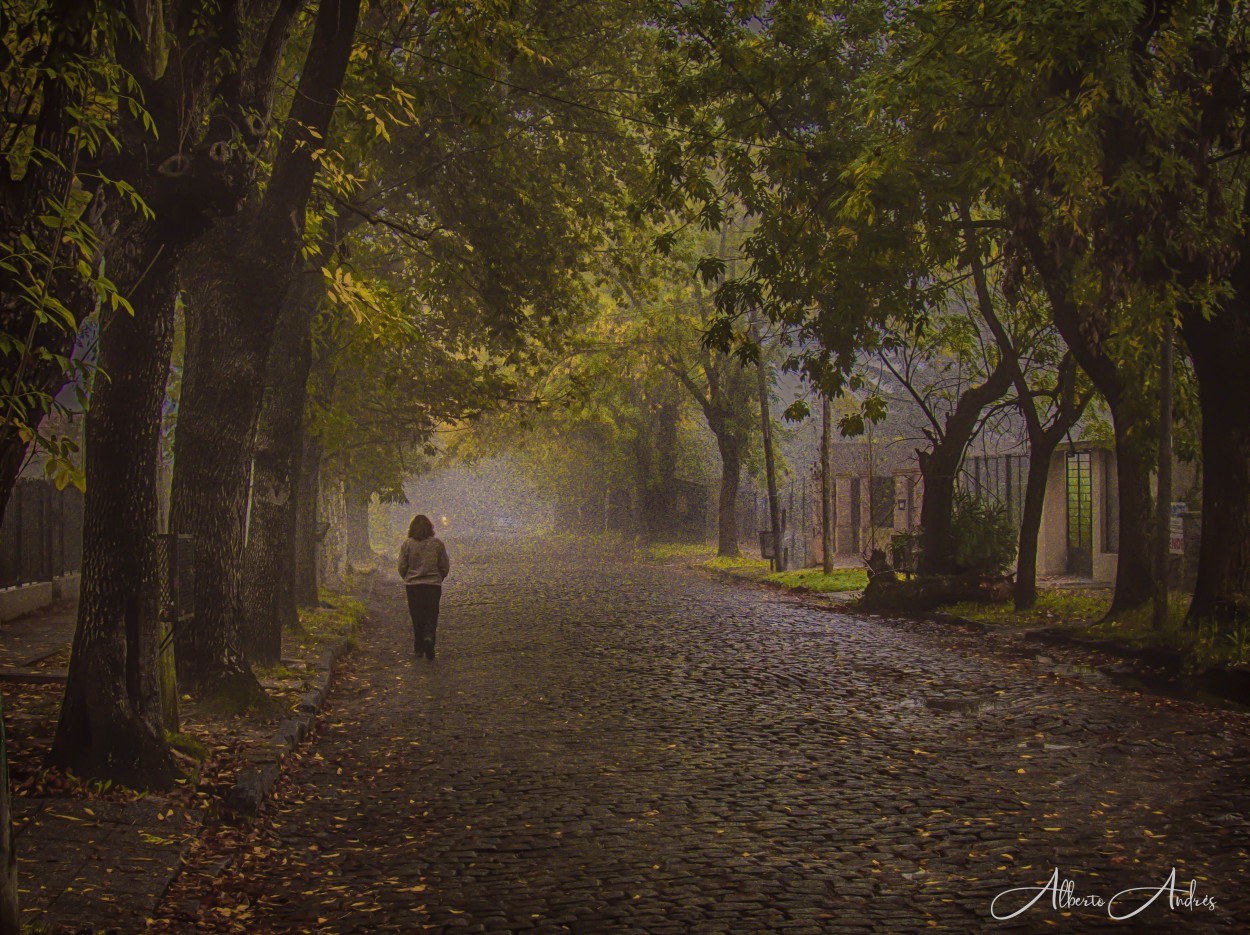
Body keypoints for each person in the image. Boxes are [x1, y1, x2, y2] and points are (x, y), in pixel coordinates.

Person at [397, 514, 450, 660]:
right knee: (432, 614)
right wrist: (439, 577)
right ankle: (429, 638)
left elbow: (402, 566)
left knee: (417, 616)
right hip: (433, 585)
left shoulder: (407, 544)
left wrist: (407, 577)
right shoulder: (437, 544)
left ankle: (419, 648)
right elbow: (444, 565)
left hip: (413, 586)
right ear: (430, 528)